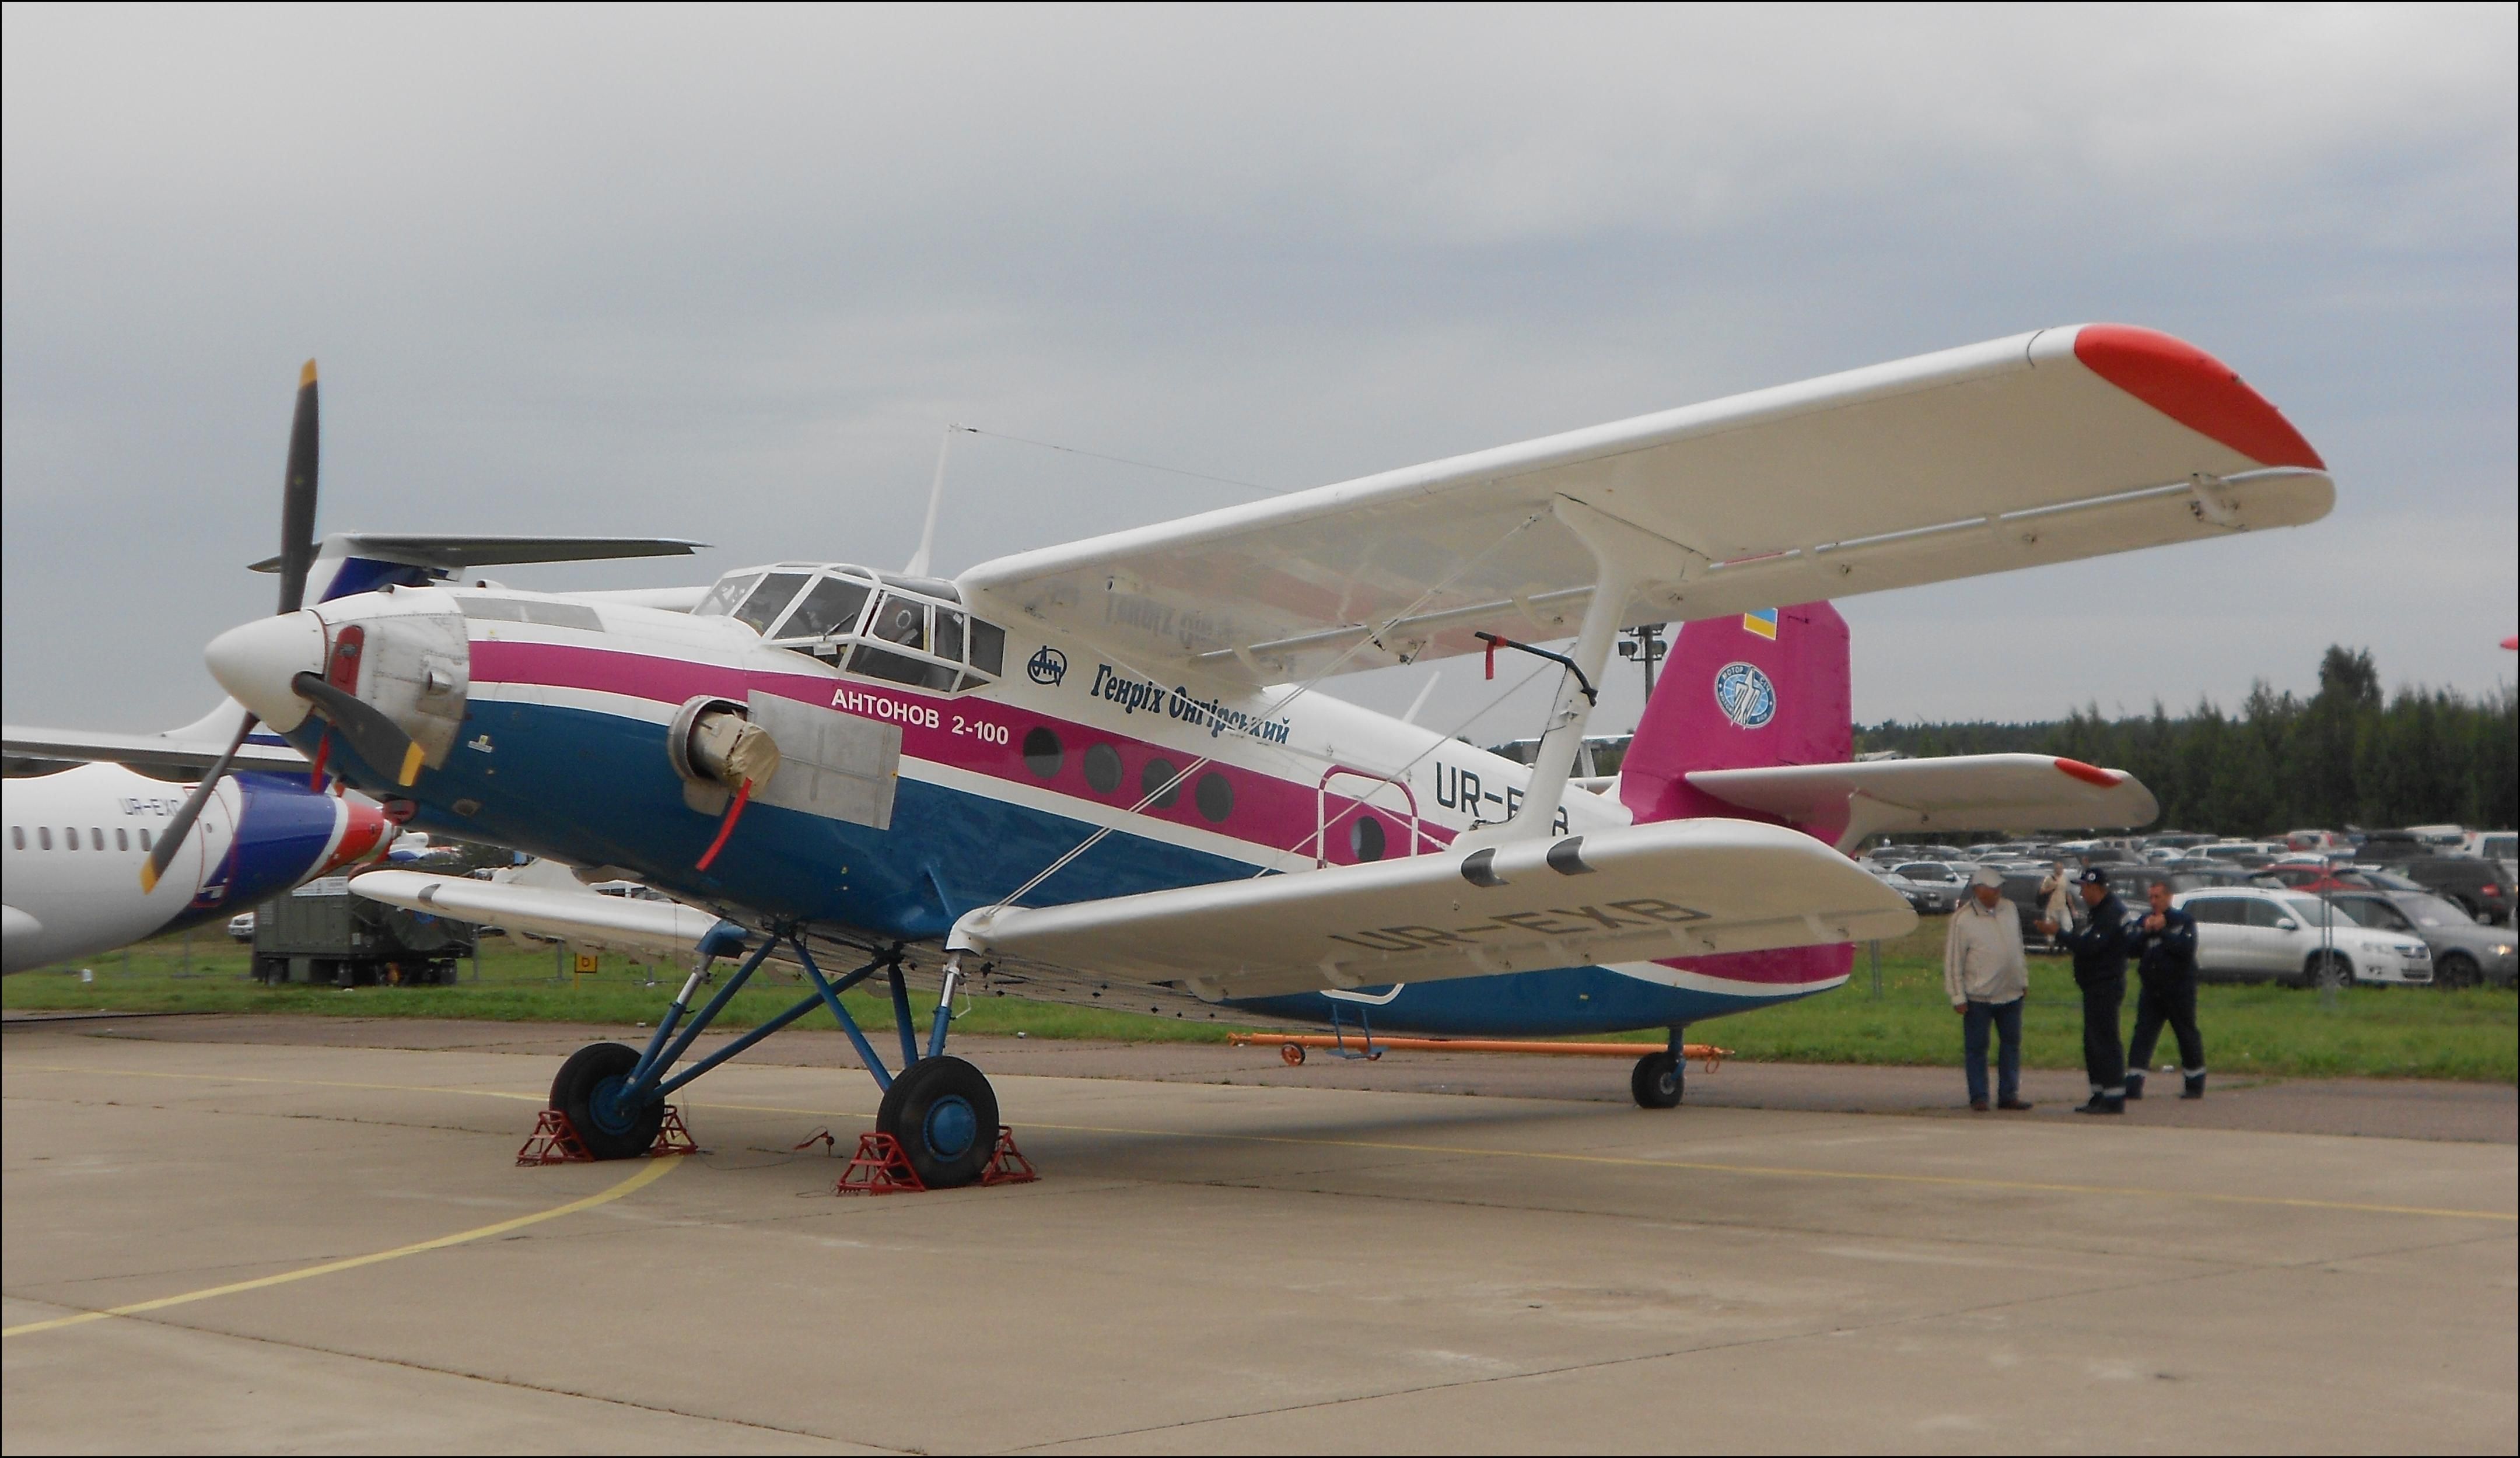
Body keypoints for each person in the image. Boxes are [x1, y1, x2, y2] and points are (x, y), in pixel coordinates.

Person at [2039, 867, 2133, 1114]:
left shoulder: (2111, 914)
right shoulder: (2098, 912)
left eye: (2084, 888)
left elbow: (2090, 947)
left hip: (2105, 986)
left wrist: (2058, 933)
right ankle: (2099, 1093)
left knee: (2105, 1041)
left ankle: (2113, 1097)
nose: (2081, 892)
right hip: (2094, 986)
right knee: (2093, 1042)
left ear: (2095, 888)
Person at [1944, 865, 2032, 1112]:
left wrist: (2023, 980)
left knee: (2011, 1045)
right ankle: (1979, 1096)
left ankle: (2009, 1094)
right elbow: (1954, 961)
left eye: (1999, 889)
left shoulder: (2010, 909)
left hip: (2011, 993)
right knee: (1977, 1048)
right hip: (1978, 997)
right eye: (1992, 889)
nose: (1997, 894)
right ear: (1978, 890)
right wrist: (1957, 996)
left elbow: (2018, 948)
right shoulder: (1963, 920)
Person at [2126, 880, 2206, 1100]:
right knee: (2142, 1036)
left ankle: (2194, 1083)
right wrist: (2145, 932)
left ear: (2169, 898)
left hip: (2179, 989)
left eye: (2157, 897)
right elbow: (2131, 949)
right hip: (2152, 989)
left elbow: (2185, 950)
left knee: (2186, 1034)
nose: (2153, 902)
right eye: (2150, 897)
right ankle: (2133, 1085)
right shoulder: (2144, 921)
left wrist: (2163, 932)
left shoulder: (2183, 921)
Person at [2036, 861, 2078, 948]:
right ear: (2055, 869)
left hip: (2063, 907)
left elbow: (2068, 894)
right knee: (2050, 928)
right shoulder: (2049, 879)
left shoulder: (2065, 879)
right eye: (2058, 868)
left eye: (2061, 868)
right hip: (2052, 907)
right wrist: (2052, 888)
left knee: (2067, 926)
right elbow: (2042, 891)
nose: (2060, 870)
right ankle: (2051, 947)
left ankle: (2064, 945)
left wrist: (2073, 909)